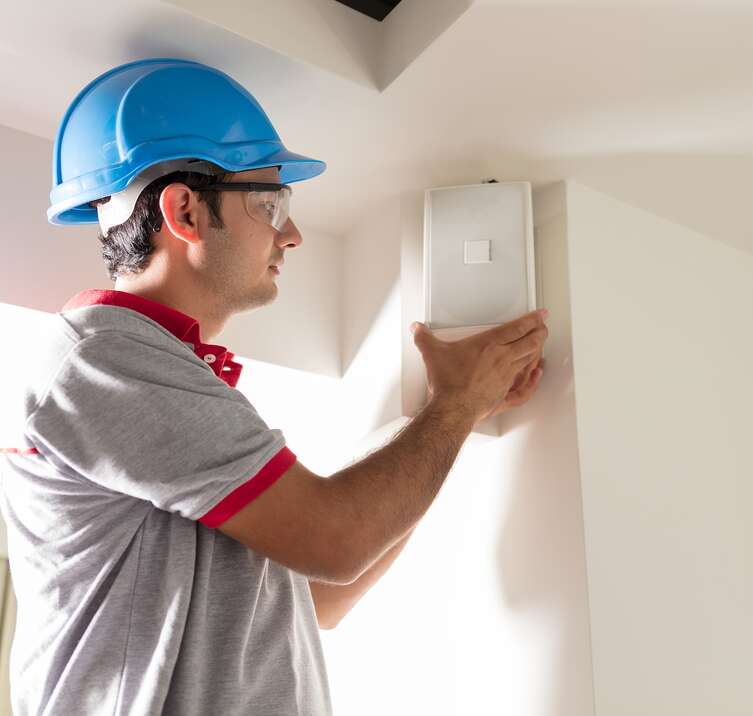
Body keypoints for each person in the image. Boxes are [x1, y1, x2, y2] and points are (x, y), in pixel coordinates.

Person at [0, 58, 547, 715]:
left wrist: (452, 413)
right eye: (270, 202)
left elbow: (319, 595)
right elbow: (334, 543)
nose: (291, 234)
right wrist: (455, 408)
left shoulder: (164, 378)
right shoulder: (103, 360)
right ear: (186, 212)